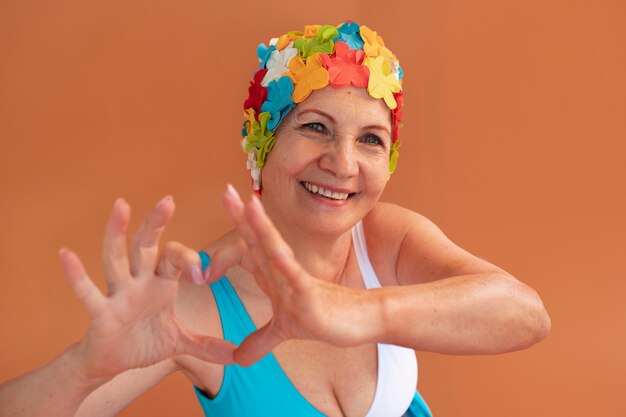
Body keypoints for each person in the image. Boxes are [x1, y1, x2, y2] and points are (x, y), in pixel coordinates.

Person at [0, 21, 551, 417]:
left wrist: (353, 310)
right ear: (262, 143)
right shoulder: (197, 303)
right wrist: (82, 368)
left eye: (370, 140)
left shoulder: (386, 240)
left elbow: (527, 315)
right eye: (314, 127)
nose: (342, 163)